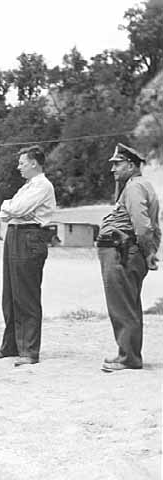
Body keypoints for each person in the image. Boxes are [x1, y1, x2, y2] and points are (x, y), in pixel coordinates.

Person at [0, 145, 56, 367]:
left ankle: (29, 350)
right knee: (11, 294)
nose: (19, 167)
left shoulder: (42, 186)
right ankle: (11, 345)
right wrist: (10, 208)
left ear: (34, 163)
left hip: (30, 235)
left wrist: (8, 207)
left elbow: (15, 208)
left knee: (26, 294)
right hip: (15, 234)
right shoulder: (28, 186)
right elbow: (9, 212)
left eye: (22, 163)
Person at [96, 143, 160, 372]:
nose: (113, 169)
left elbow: (142, 227)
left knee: (122, 306)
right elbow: (155, 226)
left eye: (117, 164)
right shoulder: (143, 186)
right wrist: (151, 252)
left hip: (121, 251)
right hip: (129, 251)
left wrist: (146, 249)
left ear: (131, 165)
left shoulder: (133, 187)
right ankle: (128, 353)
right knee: (128, 304)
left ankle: (129, 358)